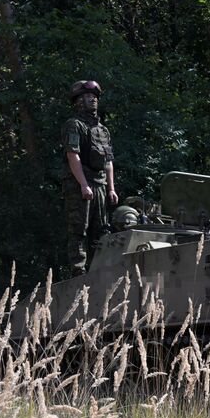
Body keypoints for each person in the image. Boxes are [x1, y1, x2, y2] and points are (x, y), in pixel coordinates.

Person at [61, 79, 117, 276]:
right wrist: (83, 185)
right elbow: (72, 155)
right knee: (79, 230)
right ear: (78, 101)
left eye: (94, 97)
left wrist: (111, 188)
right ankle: (79, 273)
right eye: (87, 97)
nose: (92, 100)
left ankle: (99, 271)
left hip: (100, 185)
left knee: (102, 231)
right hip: (81, 185)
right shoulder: (74, 125)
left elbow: (108, 161)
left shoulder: (103, 130)